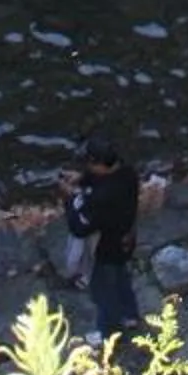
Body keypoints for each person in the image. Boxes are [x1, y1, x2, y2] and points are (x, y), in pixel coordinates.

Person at [65, 134, 141, 347]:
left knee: (103, 291)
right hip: (126, 239)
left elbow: (79, 228)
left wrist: (70, 199)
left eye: (90, 163)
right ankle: (130, 315)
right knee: (122, 279)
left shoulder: (102, 198)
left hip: (104, 248)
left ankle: (107, 332)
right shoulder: (127, 173)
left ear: (98, 164)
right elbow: (100, 179)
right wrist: (82, 180)